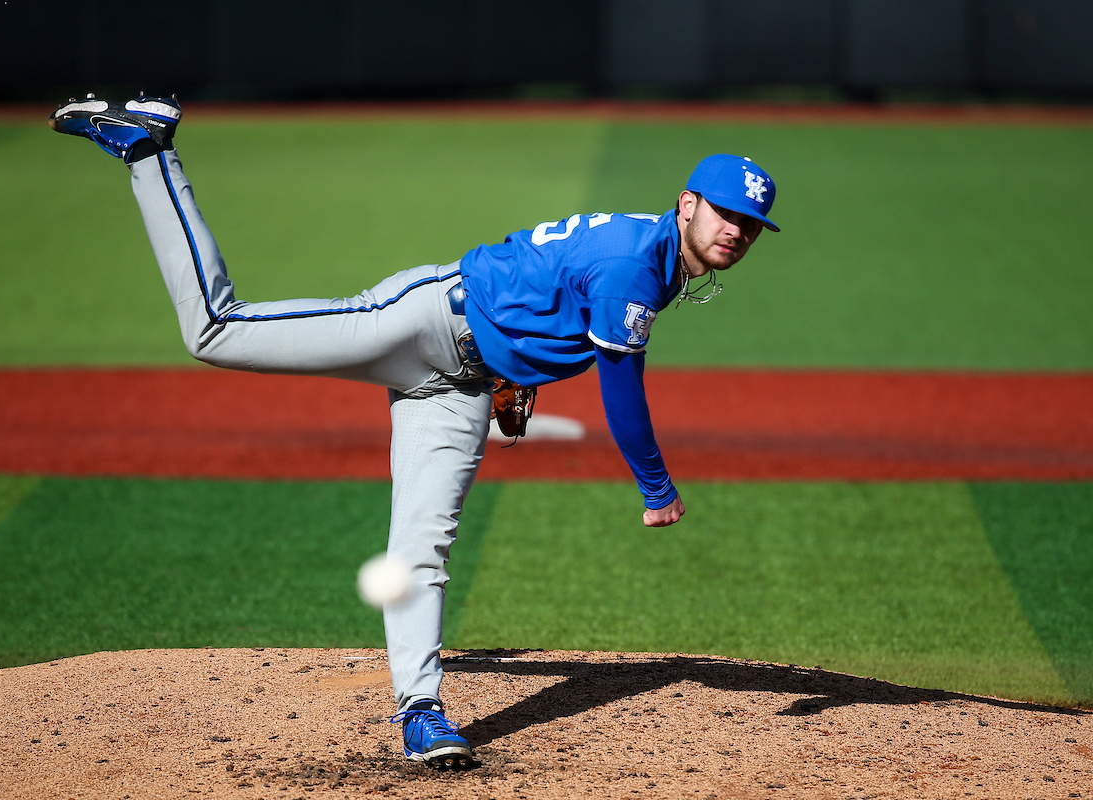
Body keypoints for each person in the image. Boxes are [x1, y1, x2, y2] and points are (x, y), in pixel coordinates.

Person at [48, 93, 779, 770]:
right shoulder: (634, 267)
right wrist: (656, 486)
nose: (736, 232)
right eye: (725, 214)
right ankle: (149, 150)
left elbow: (544, 284)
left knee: (421, 545)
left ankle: (421, 712)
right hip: (420, 322)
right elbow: (621, 388)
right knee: (215, 329)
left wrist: (515, 371)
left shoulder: (654, 251)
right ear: (687, 204)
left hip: (461, 386)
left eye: (749, 225)